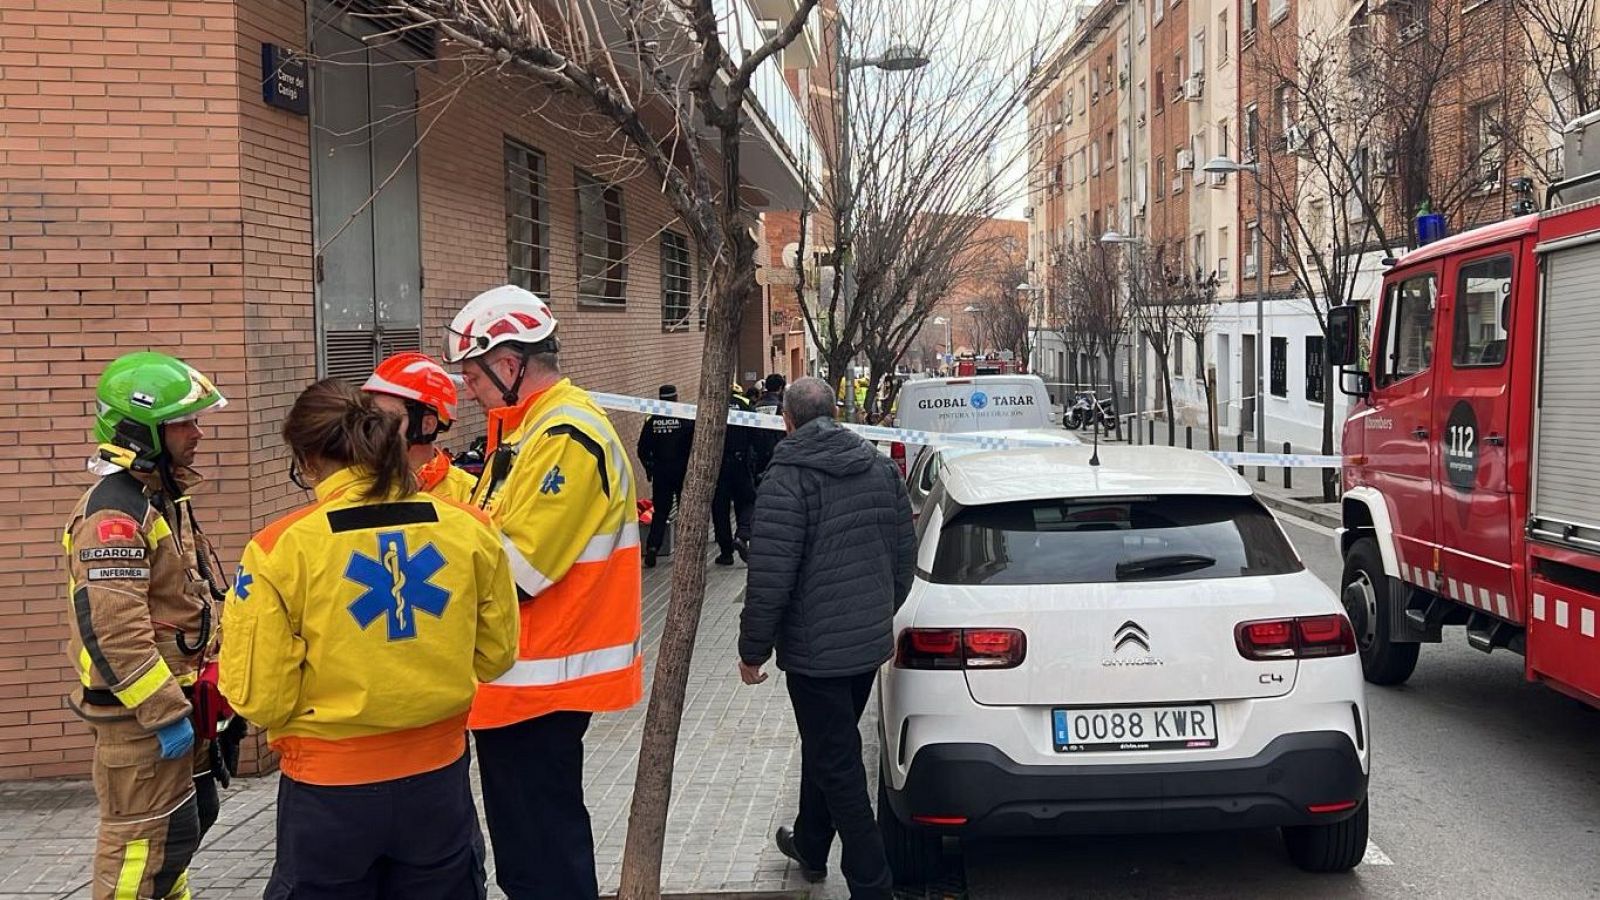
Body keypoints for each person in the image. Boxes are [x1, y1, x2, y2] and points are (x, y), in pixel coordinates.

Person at [218, 379, 519, 897]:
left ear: (308, 457)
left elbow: (261, 699)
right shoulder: (470, 527)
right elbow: (496, 656)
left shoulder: (279, 549)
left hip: (329, 794)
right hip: (438, 784)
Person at [444, 284, 643, 899]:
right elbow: (495, 520)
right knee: (532, 852)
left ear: (509, 366)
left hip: (539, 681)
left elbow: (517, 569)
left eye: (473, 378)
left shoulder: (565, 436)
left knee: (542, 863)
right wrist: (436, 481)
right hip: (521, 682)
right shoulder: (530, 430)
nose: (468, 392)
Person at [738, 377, 915, 900]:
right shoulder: (881, 467)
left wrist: (752, 651)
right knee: (829, 744)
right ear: (836, 413)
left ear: (786, 421)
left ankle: (871, 883)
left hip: (817, 656)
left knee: (838, 763)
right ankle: (811, 845)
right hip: (864, 647)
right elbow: (903, 556)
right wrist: (878, 612)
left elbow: (769, 576)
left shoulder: (786, 479)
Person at [65, 351, 230, 900]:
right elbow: (117, 633)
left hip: (180, 705)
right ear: (142, 431)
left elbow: (191, 597)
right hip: (140, 722)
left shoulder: (160, 499)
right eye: (184, 422)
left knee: (176, 840)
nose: (198, 433)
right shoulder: (114, 518)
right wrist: (164, 715)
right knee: (137, 849)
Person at [362, 350, 478, 502]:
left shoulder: (468, 495)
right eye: (372, 416)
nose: (374, 427)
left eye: (389, 418)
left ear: (427, 425)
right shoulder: (359, 486)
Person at [637, 384, 694, 569]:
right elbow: (695, 444)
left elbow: (642, 449)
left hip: (661, 472)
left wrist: (650, 467)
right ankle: (687, 549)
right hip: (682, 470)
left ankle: (653, 547)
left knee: (661, 512)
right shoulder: (685, 418)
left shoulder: (652, 421)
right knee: (685, 510)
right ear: (676, 398)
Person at [712, 385, 756, 565]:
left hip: (718, 464)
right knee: (747, 500)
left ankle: (726, 553)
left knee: (720, 509)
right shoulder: (745, 404)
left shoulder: (713, 404)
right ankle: (742, 536)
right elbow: (756, 432)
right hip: (741, 462)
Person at [748, 374, 786, 480]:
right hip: (776, 454)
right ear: (780, 388)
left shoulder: (755, 407)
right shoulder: (782, 408)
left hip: (757, 454)